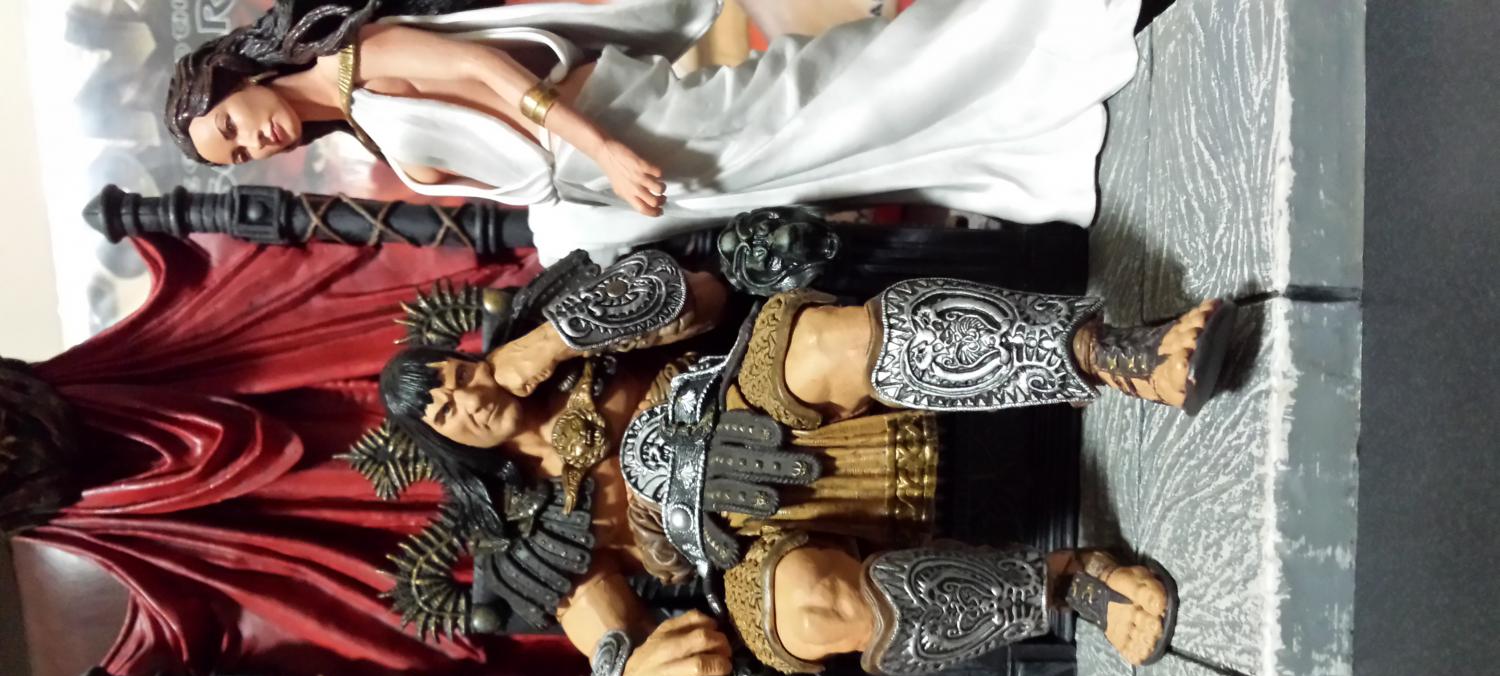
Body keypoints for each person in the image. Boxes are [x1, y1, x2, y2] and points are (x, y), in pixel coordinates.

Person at [376, 248, 1237, 676]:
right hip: (740, 541)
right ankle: (1070, 583)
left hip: (742, 390)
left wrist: (556, 341)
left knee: (822, 345)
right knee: (811, 612)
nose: (466, 399)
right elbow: (605, 635)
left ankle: (1116, 355)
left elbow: (696, 294)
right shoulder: (523, 531)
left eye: (452, 376)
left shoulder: (557, 324)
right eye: (445, 413)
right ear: (444, 444)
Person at [165, 0, 1145, 263]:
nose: (255, 144)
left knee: (826, 103)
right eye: (238, 155)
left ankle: (1038, 30)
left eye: (234, 126)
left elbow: (494, 77)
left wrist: (605, 150)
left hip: (616, 126)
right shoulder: (355, 126)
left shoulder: (360, 58)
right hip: (600, 170)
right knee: (828, 153)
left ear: (241, 76)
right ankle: (1011, 131)